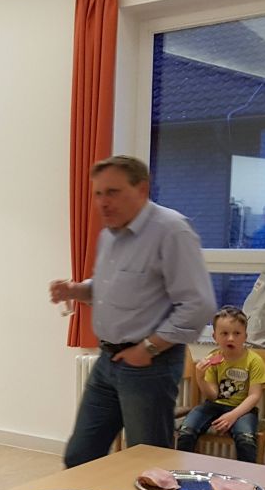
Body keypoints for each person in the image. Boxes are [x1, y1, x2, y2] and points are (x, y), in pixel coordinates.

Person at [50, 155, 215, 468]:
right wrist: (76, 290)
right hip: (108, 361)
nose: (103, 202)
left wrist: (148, 348)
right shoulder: (109, 236)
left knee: (148, 466)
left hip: (150, 364)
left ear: (141, 189)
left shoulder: (171, 230)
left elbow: (199, 304)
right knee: (80, 456)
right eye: (98, 193)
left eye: (112, 192)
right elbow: (112, 288)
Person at [176, 306, 265, 463]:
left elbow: (254, 396)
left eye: (237, 333)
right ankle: (182, 470)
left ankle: (245, 477)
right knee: (186, 432)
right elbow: (213, 395)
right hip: (214, 405)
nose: (230, 338)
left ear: (245, 336)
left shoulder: (254, 361)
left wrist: (233, 415)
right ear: (215, 337)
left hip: (242, 409)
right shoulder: (213, 358)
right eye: (224, 333)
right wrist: (200, 377)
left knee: (246, 439)